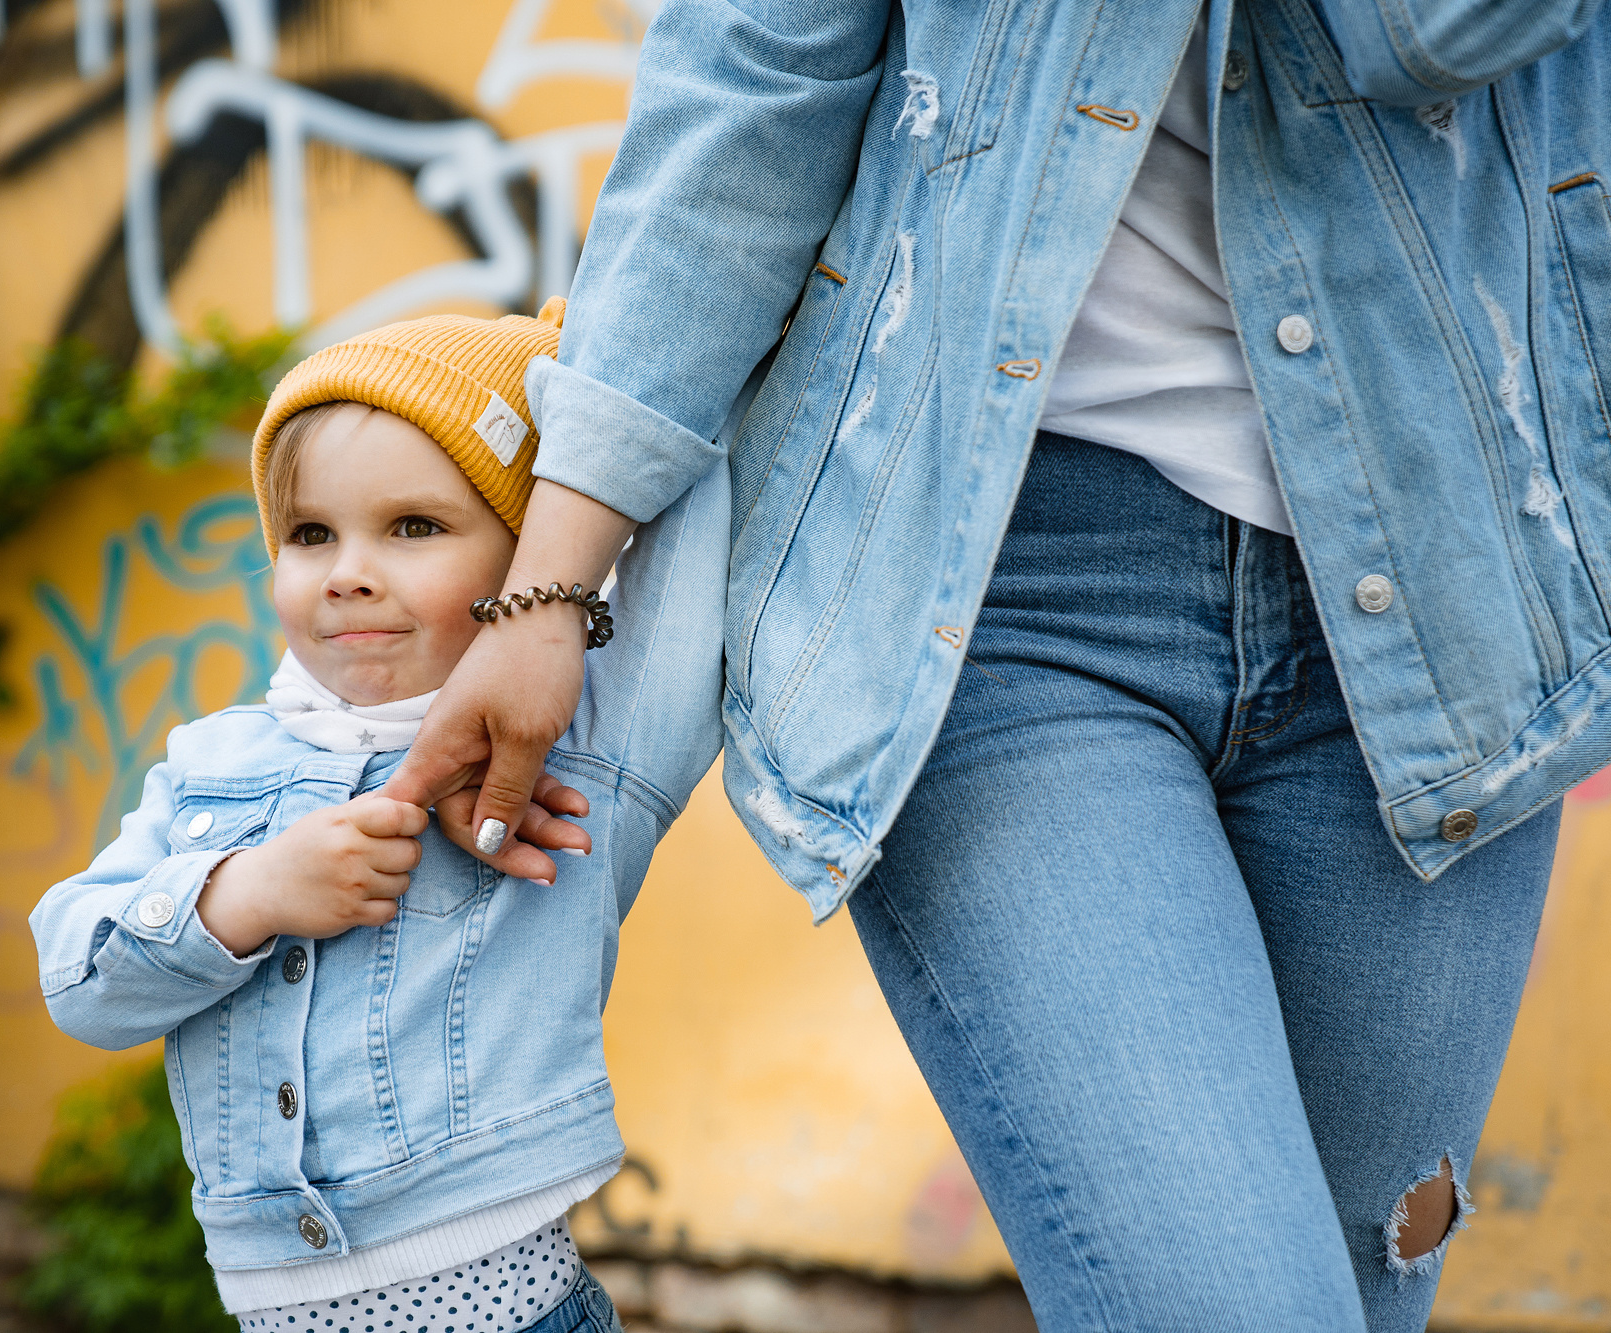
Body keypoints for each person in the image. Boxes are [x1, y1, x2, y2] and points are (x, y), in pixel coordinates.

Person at [387, 0, 1611, 1327]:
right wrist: (549, 586)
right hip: (997, 602)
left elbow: (1426, 36)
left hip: (1453, 598)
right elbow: (747, 94)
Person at [29, 300, 729, 1333]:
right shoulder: (213, 765)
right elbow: (77, 980)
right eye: (311, 532)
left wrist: (576, 372)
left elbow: (703, 502)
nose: (348, 569)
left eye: (414, 527)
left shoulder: (582, 750)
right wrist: (247, 893)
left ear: (523, 566)